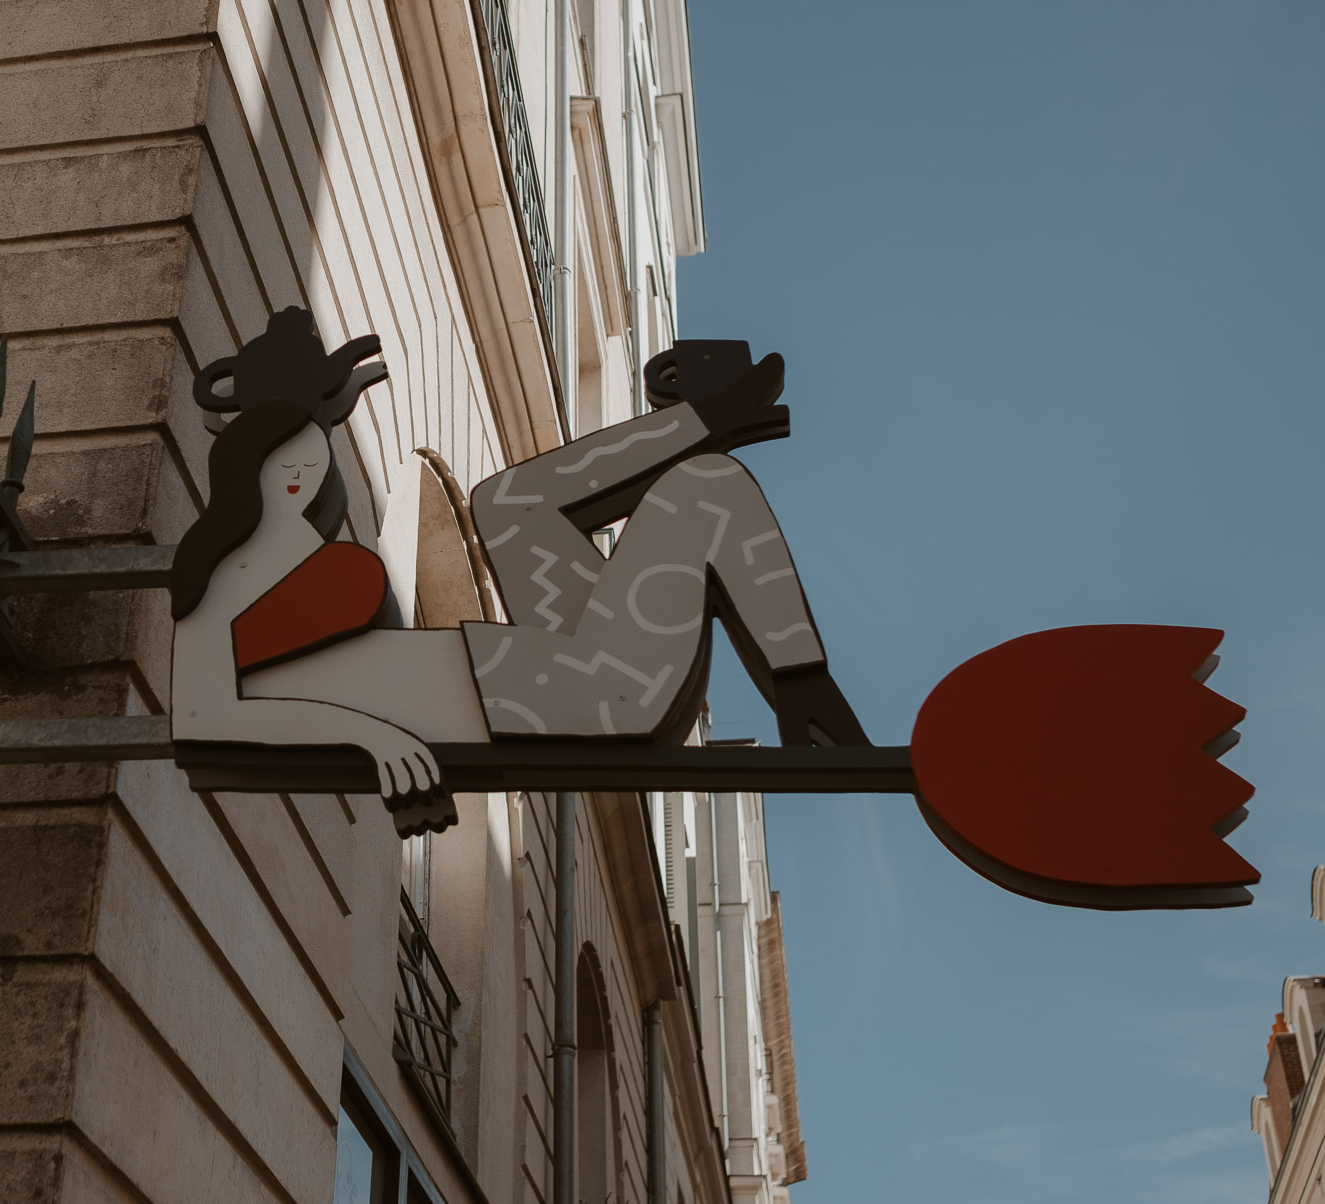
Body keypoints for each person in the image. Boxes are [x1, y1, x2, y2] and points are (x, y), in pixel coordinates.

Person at [170, 307, 865, 835]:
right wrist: (374, 738)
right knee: (703, 487)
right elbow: (204, 717)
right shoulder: (218, 577)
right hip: (581, 691)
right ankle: (805, 687)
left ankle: (707, 418)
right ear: (244, 455)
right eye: (278, 445)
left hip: (546, 673)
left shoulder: (286, 554)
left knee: (500, 502)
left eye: (309, 438)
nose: (298, 462)